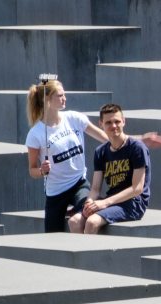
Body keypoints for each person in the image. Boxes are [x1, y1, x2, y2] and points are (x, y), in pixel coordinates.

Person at [24, 79, 108, 233]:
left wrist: (138, 140)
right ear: (47, 100)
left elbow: (107, 138)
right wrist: (42, 170)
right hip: (55, 192)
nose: (65, 99)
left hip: (79, 183)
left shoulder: (74, 118)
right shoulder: (35, 134)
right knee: (53, 237)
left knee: (85, 213)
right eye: (60, 96)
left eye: (64, 95)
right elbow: (32, 170)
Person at [68, 104, 151, 234]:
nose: (113, 126)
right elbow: (95, 188)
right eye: (108, 123)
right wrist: (89, 203)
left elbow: (137, 188)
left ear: (124, 121)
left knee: (92, 222)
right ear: (101, 124)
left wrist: (105, 203)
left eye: (117, 121)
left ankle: (91, 254)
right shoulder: (100, 151)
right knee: (74, 221)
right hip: (111, 201)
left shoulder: (137, 148)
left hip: (133, 203)